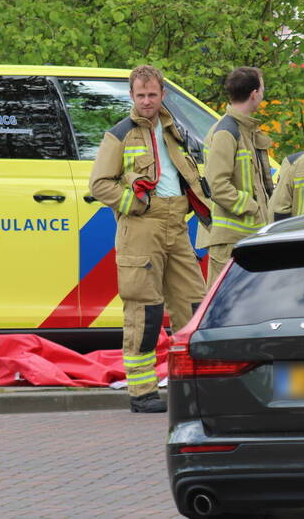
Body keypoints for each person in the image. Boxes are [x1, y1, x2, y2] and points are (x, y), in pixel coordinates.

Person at [89, 65, 211, 414]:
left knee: (192, 303)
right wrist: (136, 204)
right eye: (140, 95)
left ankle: (193, 386)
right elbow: (100, 184)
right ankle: (141, 393)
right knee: (144, 308)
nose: (146, 101)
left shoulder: (174, 130)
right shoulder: (120, 134)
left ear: (162, 95)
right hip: (142, 226)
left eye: (152, 95)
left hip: (176, 223)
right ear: (131, 96)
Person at [202, 66, 273, 286]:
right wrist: (252, 207)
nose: (262, 94)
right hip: (230, 241)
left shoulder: (244, 130)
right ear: (254, 94)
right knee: (223, 309)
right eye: (262, 89)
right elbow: (217, 185)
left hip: (245, 238)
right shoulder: (227, 131)